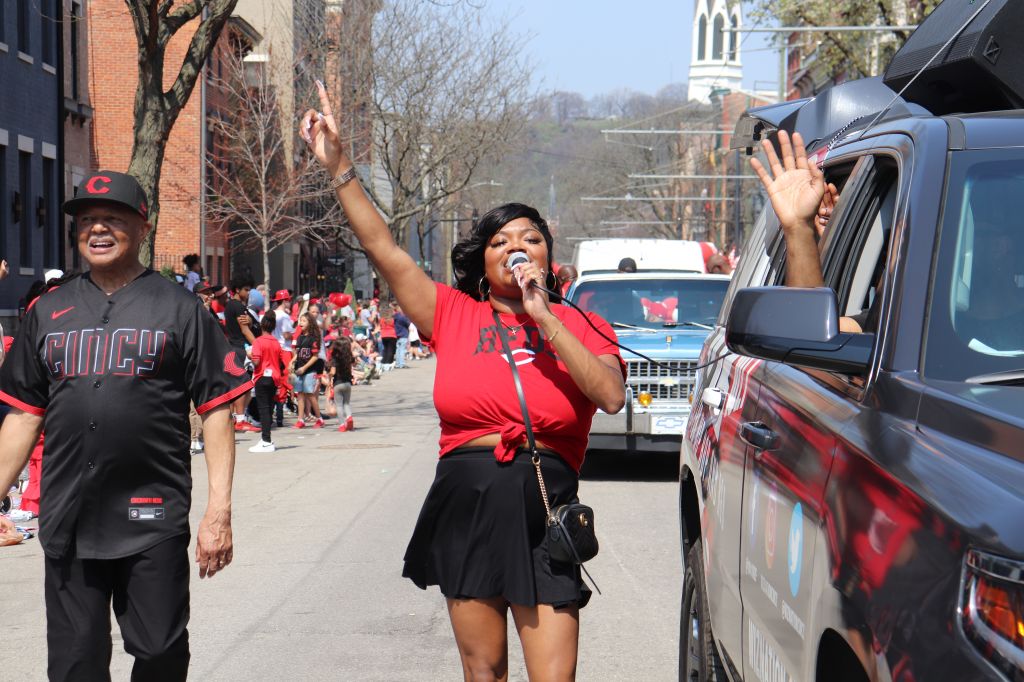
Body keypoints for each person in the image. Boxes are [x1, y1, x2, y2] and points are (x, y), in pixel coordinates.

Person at [302, 84, 626, 681]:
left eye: (531, 238)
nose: (516, 247)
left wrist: (545, 317)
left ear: (550, 258)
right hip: (468, 498)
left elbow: (609, 397)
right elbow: (383, 248)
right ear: (482, 263)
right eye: (500, 242)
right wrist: (340, 166)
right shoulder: (452, 313)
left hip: (546, 505)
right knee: (486, 674)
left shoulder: (580, 323)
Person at [0, 170, 247, 679]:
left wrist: (217, 511)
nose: (98, 229)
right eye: (88, 220)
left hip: (151, 512)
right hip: (69, 515)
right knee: (75, 664)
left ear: (143, 227)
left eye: (113, 219)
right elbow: (25, 415)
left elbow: (217, 410)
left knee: (159, 652)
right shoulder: (47, 312)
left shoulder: (180, 309)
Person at [224, 275, 260, 432]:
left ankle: (235, 418)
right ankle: (240, 420)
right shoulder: (237, 306)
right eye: (246, 289)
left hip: (234, 347)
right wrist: (259, 347)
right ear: (237, 290)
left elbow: (248, 325)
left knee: (240, 386)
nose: (249, 292)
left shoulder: (231, 305)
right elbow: (245, 330)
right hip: (240, 348)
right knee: (242, 386)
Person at [249, 311, 285, 453]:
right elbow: (282, 362)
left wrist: (250, 355)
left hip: (262, 376)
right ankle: (267, 439)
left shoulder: (258, 341)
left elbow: (256, 361)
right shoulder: (276, 342)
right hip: (274, 378)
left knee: (263, 409)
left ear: (262, 326)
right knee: (269, 409)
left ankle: (266, 440)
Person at [290, 312, 324, 428]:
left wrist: (304, 367)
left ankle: (319, 418)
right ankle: (300, 419)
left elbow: (315, 356)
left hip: (310, 370)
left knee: (309, 394)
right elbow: (298, 353)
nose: (300, 323)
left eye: (304, 320)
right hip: (299, 369)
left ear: (310, 323)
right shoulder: (300, 337)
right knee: (300, 394)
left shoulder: (313, 338)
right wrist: (292, 361)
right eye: (300, 320)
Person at [328, 338, 356, 432]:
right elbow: (353, 365)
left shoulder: (335, 358)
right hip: (348, 383)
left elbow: (333, 372)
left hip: (338, 384)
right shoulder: (349, 357)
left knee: (339, 405)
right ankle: (349, 417)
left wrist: (329, 377)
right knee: (346, 403)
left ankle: (342, 425)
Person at [393, 303, 411, 368]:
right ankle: (401, 364)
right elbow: (408, 323)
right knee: (402, 350)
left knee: (398, 350)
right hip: (403, 334)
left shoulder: (395, 316)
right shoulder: (402, 317)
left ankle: (398, 363)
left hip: (398, 334)